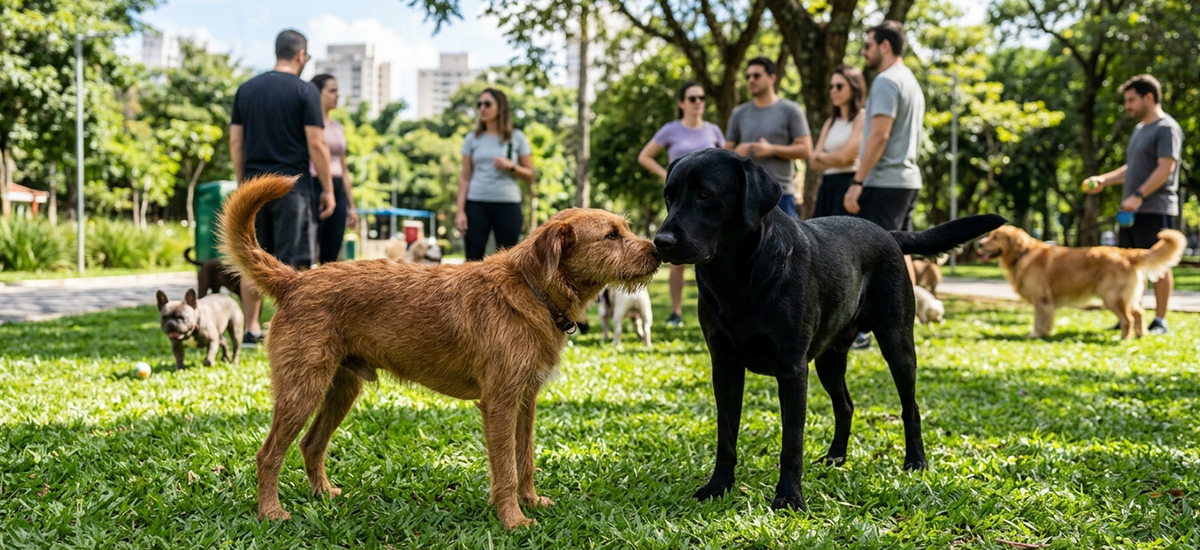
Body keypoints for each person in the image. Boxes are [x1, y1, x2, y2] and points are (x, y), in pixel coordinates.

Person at [229, 29, 335, 346]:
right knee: (292, 264)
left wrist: (242, 184)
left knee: (253, 256)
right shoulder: (305, 92)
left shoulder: (246, 90)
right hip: (293, 189)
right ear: (301, 55)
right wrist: (328, 189)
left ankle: (250, 328)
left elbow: (236, 140)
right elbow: (317, 142)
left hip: (254, 185)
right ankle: (287, 330)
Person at [843, 20, 925, 349]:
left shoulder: (886, 81)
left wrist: (858, 181)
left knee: (869, 259)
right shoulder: (910, 81)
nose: (864, 53)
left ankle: (866, 331)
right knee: (900, 253)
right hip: (907, 180)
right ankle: (907, 324)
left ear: (885, 46)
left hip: (885, 181)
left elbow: (879, 134)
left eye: (867, 46)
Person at [1082, 74, 1183, 334]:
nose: (1127, 106)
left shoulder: (1166, 128)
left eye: (1131, 100)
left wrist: (1139, 194)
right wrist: (1104, 180)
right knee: (1128, 267)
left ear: (1148, 97)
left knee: (1158, 263)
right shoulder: (1140, 130)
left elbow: (1166, 167)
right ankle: (1128, 314)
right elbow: (1132, 169)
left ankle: (1160, 320)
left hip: (1155, 207)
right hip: (1131, 210)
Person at [638, 81, 725, 327]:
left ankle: (715, 311)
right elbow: (644, 156)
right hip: (681, 204)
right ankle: (676, 313)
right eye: (692, 98)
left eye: (701, 98)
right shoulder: (671, 130)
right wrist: (668, 175)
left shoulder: (714, 131)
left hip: (706, 205)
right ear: (681, 103)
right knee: (676, 255)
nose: (698, 102)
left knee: (712, 258)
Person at [724, 57, 812, 217]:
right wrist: (736, 152)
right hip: (745, 196)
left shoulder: (791, 110)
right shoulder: (739, 113)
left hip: (781, 195)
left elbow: (805, 149)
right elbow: (725, 151)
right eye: (748, 76)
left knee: (788, 243)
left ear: (772, 78)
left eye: (756, 76)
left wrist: (771, 150)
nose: (751, 80)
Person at [455, 88, 536, 261]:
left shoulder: (517, 138)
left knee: (508, 263)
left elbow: (530, 175)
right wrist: (460, 211)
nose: (482, 108)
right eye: (479, 104)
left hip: (508, 205)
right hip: (476, 204)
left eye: (487, 104)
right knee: (472, 262)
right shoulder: (472, 138)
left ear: (501, 108)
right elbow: (465, 176)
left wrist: (511, 166)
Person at [309, 74, 359, 263]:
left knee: (332, 251)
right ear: (318, 93)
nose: (337, 95)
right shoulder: (310, 126)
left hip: (338, 188)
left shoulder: (337, 127)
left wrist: (352, 207)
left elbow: (344, 168)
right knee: (310, 248)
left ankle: (326, 292)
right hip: (316, 184)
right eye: (332, 91)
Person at [810, 65, 866, 218]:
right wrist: (837, 157)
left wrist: (822, 156)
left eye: (839, 86)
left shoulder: (861, 117)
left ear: (854, 87)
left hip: (847, 186)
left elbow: (845, 157)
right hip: (826, 186)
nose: (833, 90)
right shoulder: (830, 122)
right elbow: (813, 162)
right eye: (831, 86)